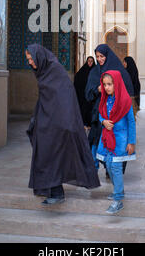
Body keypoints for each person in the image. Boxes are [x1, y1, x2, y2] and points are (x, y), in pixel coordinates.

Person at [25, 44, 100, 205]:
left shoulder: (55, 71)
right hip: (46, 121)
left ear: (39, 56)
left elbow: (64, 98)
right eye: (28, 60)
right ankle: (48, 188)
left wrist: (64, 122)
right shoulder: (44, 71)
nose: (30, 63)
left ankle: (56, 192)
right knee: (44, 154)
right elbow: (46, 99)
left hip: (59, 124)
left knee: (52, 156)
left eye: (31, 59)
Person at [85, 44, 135, 175]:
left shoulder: (118, 71)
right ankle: (94, 170)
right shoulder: (95, 72)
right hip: (100, 114)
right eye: (97, 57)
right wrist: (98, 89)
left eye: (102, 56)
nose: (100, 59)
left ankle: (113, 170)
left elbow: (127, 91)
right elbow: (88, 94)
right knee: (96, 142)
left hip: (117, 115)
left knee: (117, 142)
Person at [96, 70, 136, 214]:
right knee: (108, 164)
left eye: (110, 84)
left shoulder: (125, 101)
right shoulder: (105, 99)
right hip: (107, 138)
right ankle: (119, 190)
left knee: (116, 167)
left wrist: (131, 142)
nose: (106, 88)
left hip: (120, 139)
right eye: (105, 84)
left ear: (117, 84)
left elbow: (131, 122)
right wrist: (103, 121)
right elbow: (101, 114)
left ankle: (118, 200)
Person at [74, 56, 95, 129]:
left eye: (91, 61)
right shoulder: (82, 71)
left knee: (91, 110)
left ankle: (90, 124)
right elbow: (77, 81)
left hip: (92, 96)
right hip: (83, 96)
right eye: (88, 61)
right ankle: (83, 124)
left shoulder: (95, 71)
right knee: (83, 109)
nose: (90, 62)